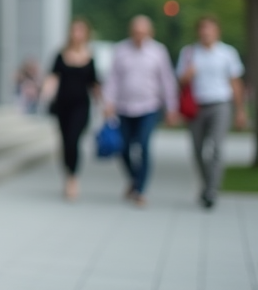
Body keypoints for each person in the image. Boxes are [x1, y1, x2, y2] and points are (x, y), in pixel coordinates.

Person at [102, 15, 179, 207]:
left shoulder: (158, 51)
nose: (139, 36)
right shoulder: (120, 50)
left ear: (150, 33)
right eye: (136, 32)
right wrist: (108, 102)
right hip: (124, 107)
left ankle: (140, 190)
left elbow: (167, 80)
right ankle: (135, 179)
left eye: (143, 32)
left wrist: (171, 108)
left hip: (149, 106)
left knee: (143, 146)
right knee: (124, 147)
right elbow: (113, 79)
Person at [176, 15, 248, 209]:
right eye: (203, 29)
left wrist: (240, 110)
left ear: (217, 31)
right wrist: (187, 75)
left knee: (216, 148)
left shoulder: (227, 53)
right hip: (196, 106)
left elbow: (235, 82)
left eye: (210, 29)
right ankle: (207, 183)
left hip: (220, 104)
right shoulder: (189, 53)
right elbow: (179, 83)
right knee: (198, 150)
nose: (206, 33)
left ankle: (211, 191)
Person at [42, 17, 99, 200]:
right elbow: (53, 77)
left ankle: (73, 178)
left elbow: (95, 83)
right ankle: (67, 174)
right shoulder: (60, 55)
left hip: (81, 105)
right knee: (65, 142)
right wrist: (45, 94)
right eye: (74, 31)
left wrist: (106, 104)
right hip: (63, 105)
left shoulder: (90, 57)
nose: (77, 35)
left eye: (81, 31)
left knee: (74, 139)